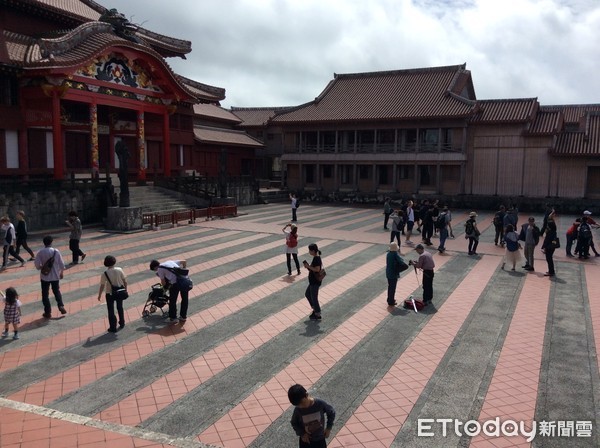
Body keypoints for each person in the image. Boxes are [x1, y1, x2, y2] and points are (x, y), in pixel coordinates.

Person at [288, 384, 335, 448]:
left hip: (320, 439)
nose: (301, 406)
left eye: (303, 403)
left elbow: (331, 412)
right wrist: (302, 433)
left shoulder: (319, 404)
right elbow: (294, 422)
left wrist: (328, 428)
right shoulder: (298, 410)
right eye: (298, 405)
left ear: (306, 395)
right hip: (306, 441)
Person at [34, 235, 67, 318]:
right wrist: (61, 272)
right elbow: (61, 264)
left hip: (45, 276)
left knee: (45, 294)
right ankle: (61, 305)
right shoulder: (56, 251)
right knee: (56, 291)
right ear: (51, 242)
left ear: (44, 243)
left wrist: (42, 267)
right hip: (55, 276)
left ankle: (47, 312)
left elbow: (37, 265)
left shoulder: (40, 252)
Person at [149, 259, 189, 323]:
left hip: (175, 283)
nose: (156, 271)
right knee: (185, 299)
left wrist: (164, 288)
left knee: (172, 300)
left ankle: (173, 318)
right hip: (185, 281)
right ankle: (183, 317)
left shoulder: (160, 269)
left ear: (155, 267)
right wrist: (184, 269)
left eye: (155, 270)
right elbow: (184, 261)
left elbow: (163, 282)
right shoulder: (170, 262)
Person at [98, 255, 128, 333]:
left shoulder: (105, 273)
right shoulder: (119, 269)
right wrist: (126, 290)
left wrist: (99, 294)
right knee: (120, 307)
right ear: (114, 261)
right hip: (120, 291)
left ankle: (113, 327)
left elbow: (102, 285)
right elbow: (125, 281)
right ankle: (122, 322)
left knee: (111, 310)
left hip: (110, 293)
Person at [302, 243, 323, 320]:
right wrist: (308, 267)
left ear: (313, 251)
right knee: (308, 294)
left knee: (314, 297)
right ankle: (315, 309)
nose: (309, 252)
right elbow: (313, 269)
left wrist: (308, 266)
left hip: (315, 282)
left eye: (310, 250)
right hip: (312, 281)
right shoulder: (316, 257)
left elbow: (317, 269)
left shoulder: (317, 258)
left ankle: (317, 313)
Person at [386, 242, 405, 306]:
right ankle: (391, 301)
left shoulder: (388, 254)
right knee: (392, 288)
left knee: (390, 287)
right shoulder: (395, 254)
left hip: (388, 272)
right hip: (393, 273)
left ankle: (389, 299)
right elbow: (401, 261)